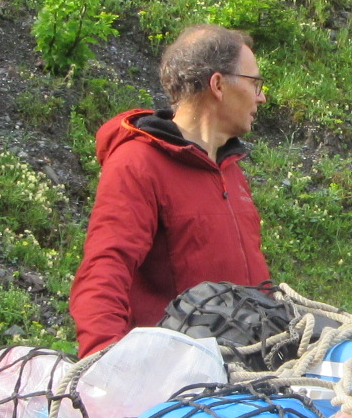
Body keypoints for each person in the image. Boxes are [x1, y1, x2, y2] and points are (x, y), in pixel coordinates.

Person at [70, 23, 270, 355]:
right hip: (177, 371)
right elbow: (104, 269)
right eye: (255, 83)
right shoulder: (137, 162)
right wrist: (103, 359)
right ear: (218, 84)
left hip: (245, 364)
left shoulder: (230, 167)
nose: (261, 96)